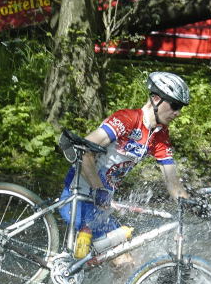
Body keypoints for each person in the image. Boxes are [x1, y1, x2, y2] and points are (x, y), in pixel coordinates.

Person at [59, 71, 190, 273]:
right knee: (125, 265)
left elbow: (172, 180)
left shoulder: (159, 135)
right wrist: (98, 188)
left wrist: (190, 204)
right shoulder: (127, 119)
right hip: (79, 196)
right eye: (175, 105)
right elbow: (84, 151)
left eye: (180, 107)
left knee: (126, 265)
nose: (178, 112)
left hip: (100, 204)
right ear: (156, 99)